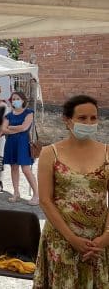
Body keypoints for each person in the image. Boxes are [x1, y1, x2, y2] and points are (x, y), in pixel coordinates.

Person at [33, 95, 108, 288]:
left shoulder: (107, 152)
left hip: (98, 242)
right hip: (61, 238)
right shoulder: (50, 153)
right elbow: (45, 200)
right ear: (67, 120)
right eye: (82, 118)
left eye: (93, 118)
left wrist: (105, 237)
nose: (89, 123)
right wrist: (71, 238)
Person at [0, 91, 39, 205]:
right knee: (14, 168)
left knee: (26, 169)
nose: (15, 101)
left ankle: (36, 194)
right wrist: (15, 128)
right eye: (13, 99)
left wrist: (11, 127)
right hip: (11, 143)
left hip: (23, 143)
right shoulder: (9, 115)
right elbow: (3, 129)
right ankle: (16, 192)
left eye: (17, 98)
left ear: (23, 100)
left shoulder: (29, 113)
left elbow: (24, 127)